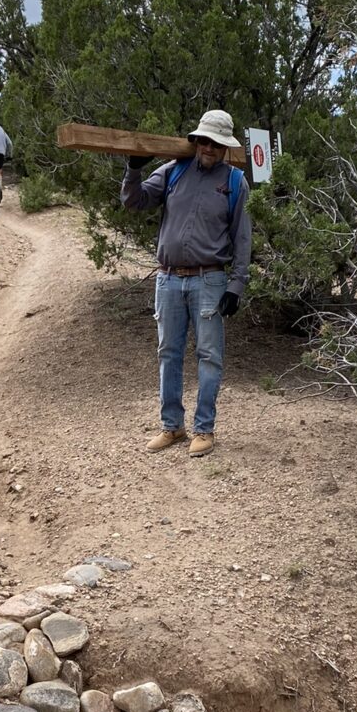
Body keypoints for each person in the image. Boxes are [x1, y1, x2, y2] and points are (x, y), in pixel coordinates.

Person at [121, 108, 252, 457]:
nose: (208, 148)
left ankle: (204, 429)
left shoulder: (235, 182)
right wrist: (134, 169)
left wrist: (236, 286)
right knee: (168, 353)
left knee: (209, 356)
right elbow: (134, 201)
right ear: (196, 141)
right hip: (168, 280)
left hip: (210, 280)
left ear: (225, 147)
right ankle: (172, 426)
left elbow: (242, 238)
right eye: (204, 141)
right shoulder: (173, 170)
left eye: (216, 144)